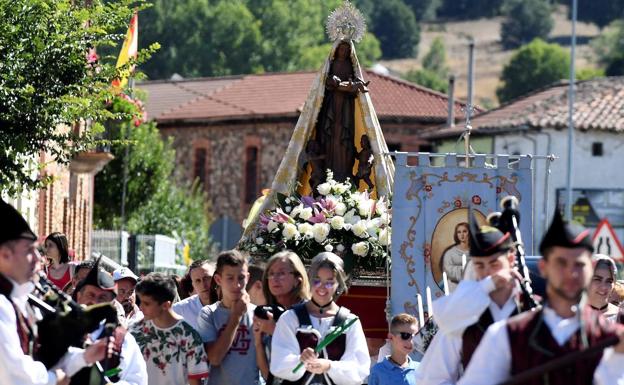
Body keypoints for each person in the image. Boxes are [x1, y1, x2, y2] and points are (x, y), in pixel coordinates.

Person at [459, 209, 624, 385]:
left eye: (579, 264)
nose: (571, 273)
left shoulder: (612, 338)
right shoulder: (506, 335)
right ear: (544, 267)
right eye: (561, 263)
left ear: (589, 269)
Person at [0, 199, 110, 385]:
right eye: (29, 250)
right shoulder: (2, 304)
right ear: (4, 254)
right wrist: (52, 379)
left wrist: (85, 356)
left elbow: (38, 360)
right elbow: (15, 376)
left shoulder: (20, 300)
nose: (38, 258)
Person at [417, 211, 523, 385]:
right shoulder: (462, 315)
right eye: (480, 265)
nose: (488, 272)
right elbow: (432, 378)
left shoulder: (531, 306)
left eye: (495, 264)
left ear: (510, 259)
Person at [270, 252, 370, 385]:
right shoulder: (290, 318)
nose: (322, 287)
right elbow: (278, 363)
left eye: (329, 282)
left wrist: (329, 366)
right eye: (317, 280)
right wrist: (300, 359)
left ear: (338, 285)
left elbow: (360, 369)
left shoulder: (350, 322)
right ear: (310, 280)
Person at [73, 260, 148, 385]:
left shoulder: (123, 340)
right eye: (90, 295)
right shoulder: (58, 330)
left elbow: (138, 381)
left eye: (102, 298)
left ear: (112, 303)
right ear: (79, 297)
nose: (95, 302)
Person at [130, 273, 209, 385]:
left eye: (146, 303)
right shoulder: (133, 331)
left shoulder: (189, 336)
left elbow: (195, 382)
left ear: (166, 305)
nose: (141, 307)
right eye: (140, 301)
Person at [196, 250, 258, 385]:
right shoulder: (208, 314)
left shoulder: (257, 314)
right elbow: (214, 358)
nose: (237, 285)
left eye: (241, 278)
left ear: (247, 278)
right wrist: (236, 317)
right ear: (218, 280)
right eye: (230, 278)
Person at [314, 40, 368, 184]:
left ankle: (344, 171)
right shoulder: (331, 65)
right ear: (336, 50)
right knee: (332, 136)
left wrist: (356, 84)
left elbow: (355, 80)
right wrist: (333, 81)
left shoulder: (350, 65)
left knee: (345, 137)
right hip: (332, 105)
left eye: (346, 50)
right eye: (341, 49)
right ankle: (330, 170)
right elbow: (326, 81)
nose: (343, 52)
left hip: (346, 107)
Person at [254, 250, 311, 382]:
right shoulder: (268, 314)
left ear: (298, 279)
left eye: (281, 273)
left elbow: (311, 359)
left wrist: (276, 331)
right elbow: (268, 375)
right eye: (271, 274)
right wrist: (258, 341)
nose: (274, 278)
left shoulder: (309, 312)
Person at [369, 313, 420, 385]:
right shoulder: (377, 371)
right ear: (391, 337)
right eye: (405, 336)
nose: (411, 341)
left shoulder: (420, 369)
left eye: (415, 336)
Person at [172, 259, 215, 332]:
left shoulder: (230, 306)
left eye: (207, 278)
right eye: (198, 281)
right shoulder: (180, 309)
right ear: (193, 284)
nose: (203, 285)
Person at [588, 254, 620, 322]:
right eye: (597, 279)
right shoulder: (572, 315)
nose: (603, 287)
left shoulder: (620, 317)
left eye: (609, 281)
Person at [440, 222, 470, 292]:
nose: (462, 235)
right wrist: (465, 270)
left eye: (464, 231)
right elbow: (448, 269)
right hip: (453, 287)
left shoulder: (476, 252)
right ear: (456, 235)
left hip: (471, 287)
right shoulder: (450, 253)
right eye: (459, 232)